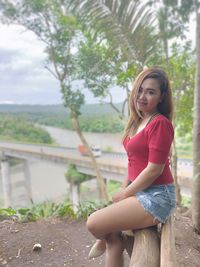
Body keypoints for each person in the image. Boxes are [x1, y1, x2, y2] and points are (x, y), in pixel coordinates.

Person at [87, 67, 176, 267]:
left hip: (157, 196)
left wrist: (126, 194)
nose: (142, 96)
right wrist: (125, 186)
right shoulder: (138, 121)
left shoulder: (159, 123)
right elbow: (134, 162)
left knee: (93, 223)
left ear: (161, 97)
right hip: (140, 191)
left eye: (151, 92)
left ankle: (106, 238)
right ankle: (110, 239)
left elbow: (155, 169)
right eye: (140, 90)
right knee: (111, 238)